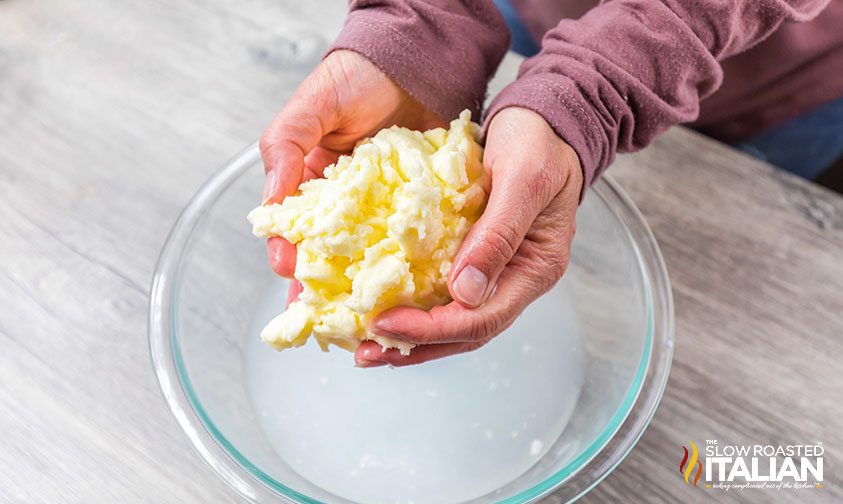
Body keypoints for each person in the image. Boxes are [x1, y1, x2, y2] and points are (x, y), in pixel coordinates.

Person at [259, 0, 842, 367]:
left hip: (776, 73)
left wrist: (592, 90)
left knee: (744, 222)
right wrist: (423, 23)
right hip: (535, 11)